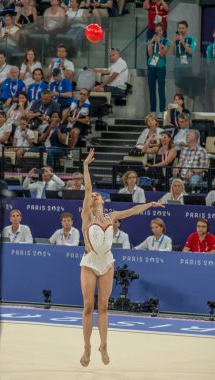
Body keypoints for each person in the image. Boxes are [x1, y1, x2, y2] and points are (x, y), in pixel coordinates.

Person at [79, 148, 163, 367]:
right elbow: (88, 187)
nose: (94, 195)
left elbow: (134, 211)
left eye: (97, 195)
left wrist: (151, 204)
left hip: (107, 263)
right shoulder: (86, 217)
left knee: (104, 306)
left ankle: (103, 344)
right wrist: (86, 166)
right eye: (92, 196)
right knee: (89, 306)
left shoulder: (112, 216)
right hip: (89, 263)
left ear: (103, 201)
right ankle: (87, 346)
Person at [147, 23, 170, 119]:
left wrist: (159, 43)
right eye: (156, 31)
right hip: (152, 66)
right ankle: (153, 110)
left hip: (161, 66)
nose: (158, 32)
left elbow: (162, 54)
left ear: (162, 31)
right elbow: (150, 53)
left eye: (159, 31)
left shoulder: (166, 41)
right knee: (151, 88)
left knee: (161, 89)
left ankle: (161, 110)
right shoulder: (151, 40)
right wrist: (151, 42)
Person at [62, 88, 90, 155]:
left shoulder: (89, 105)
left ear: (87, 96)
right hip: (70, 122)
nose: (82, 95)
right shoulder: (74, 102)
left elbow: (87, 120)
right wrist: (66, 118)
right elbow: (67, 111)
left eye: (84, 94)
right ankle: (60, 149)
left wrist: (76, 119)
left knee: (74, 132)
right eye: (81, 93)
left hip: (80, 124)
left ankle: (70, 151)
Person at [172, 20, 197, 90]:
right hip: (177, 66)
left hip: (187, 66)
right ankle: (177, 101)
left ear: (186, 28)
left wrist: (182, 42)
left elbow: (191, 52)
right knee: (177, 86)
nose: (181, 30)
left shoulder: (192, 39)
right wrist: (173, 43)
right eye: (179, 28)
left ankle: (187, 100)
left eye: (183, 28)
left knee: (187, 87)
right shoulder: (176, 38)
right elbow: (173, 53)